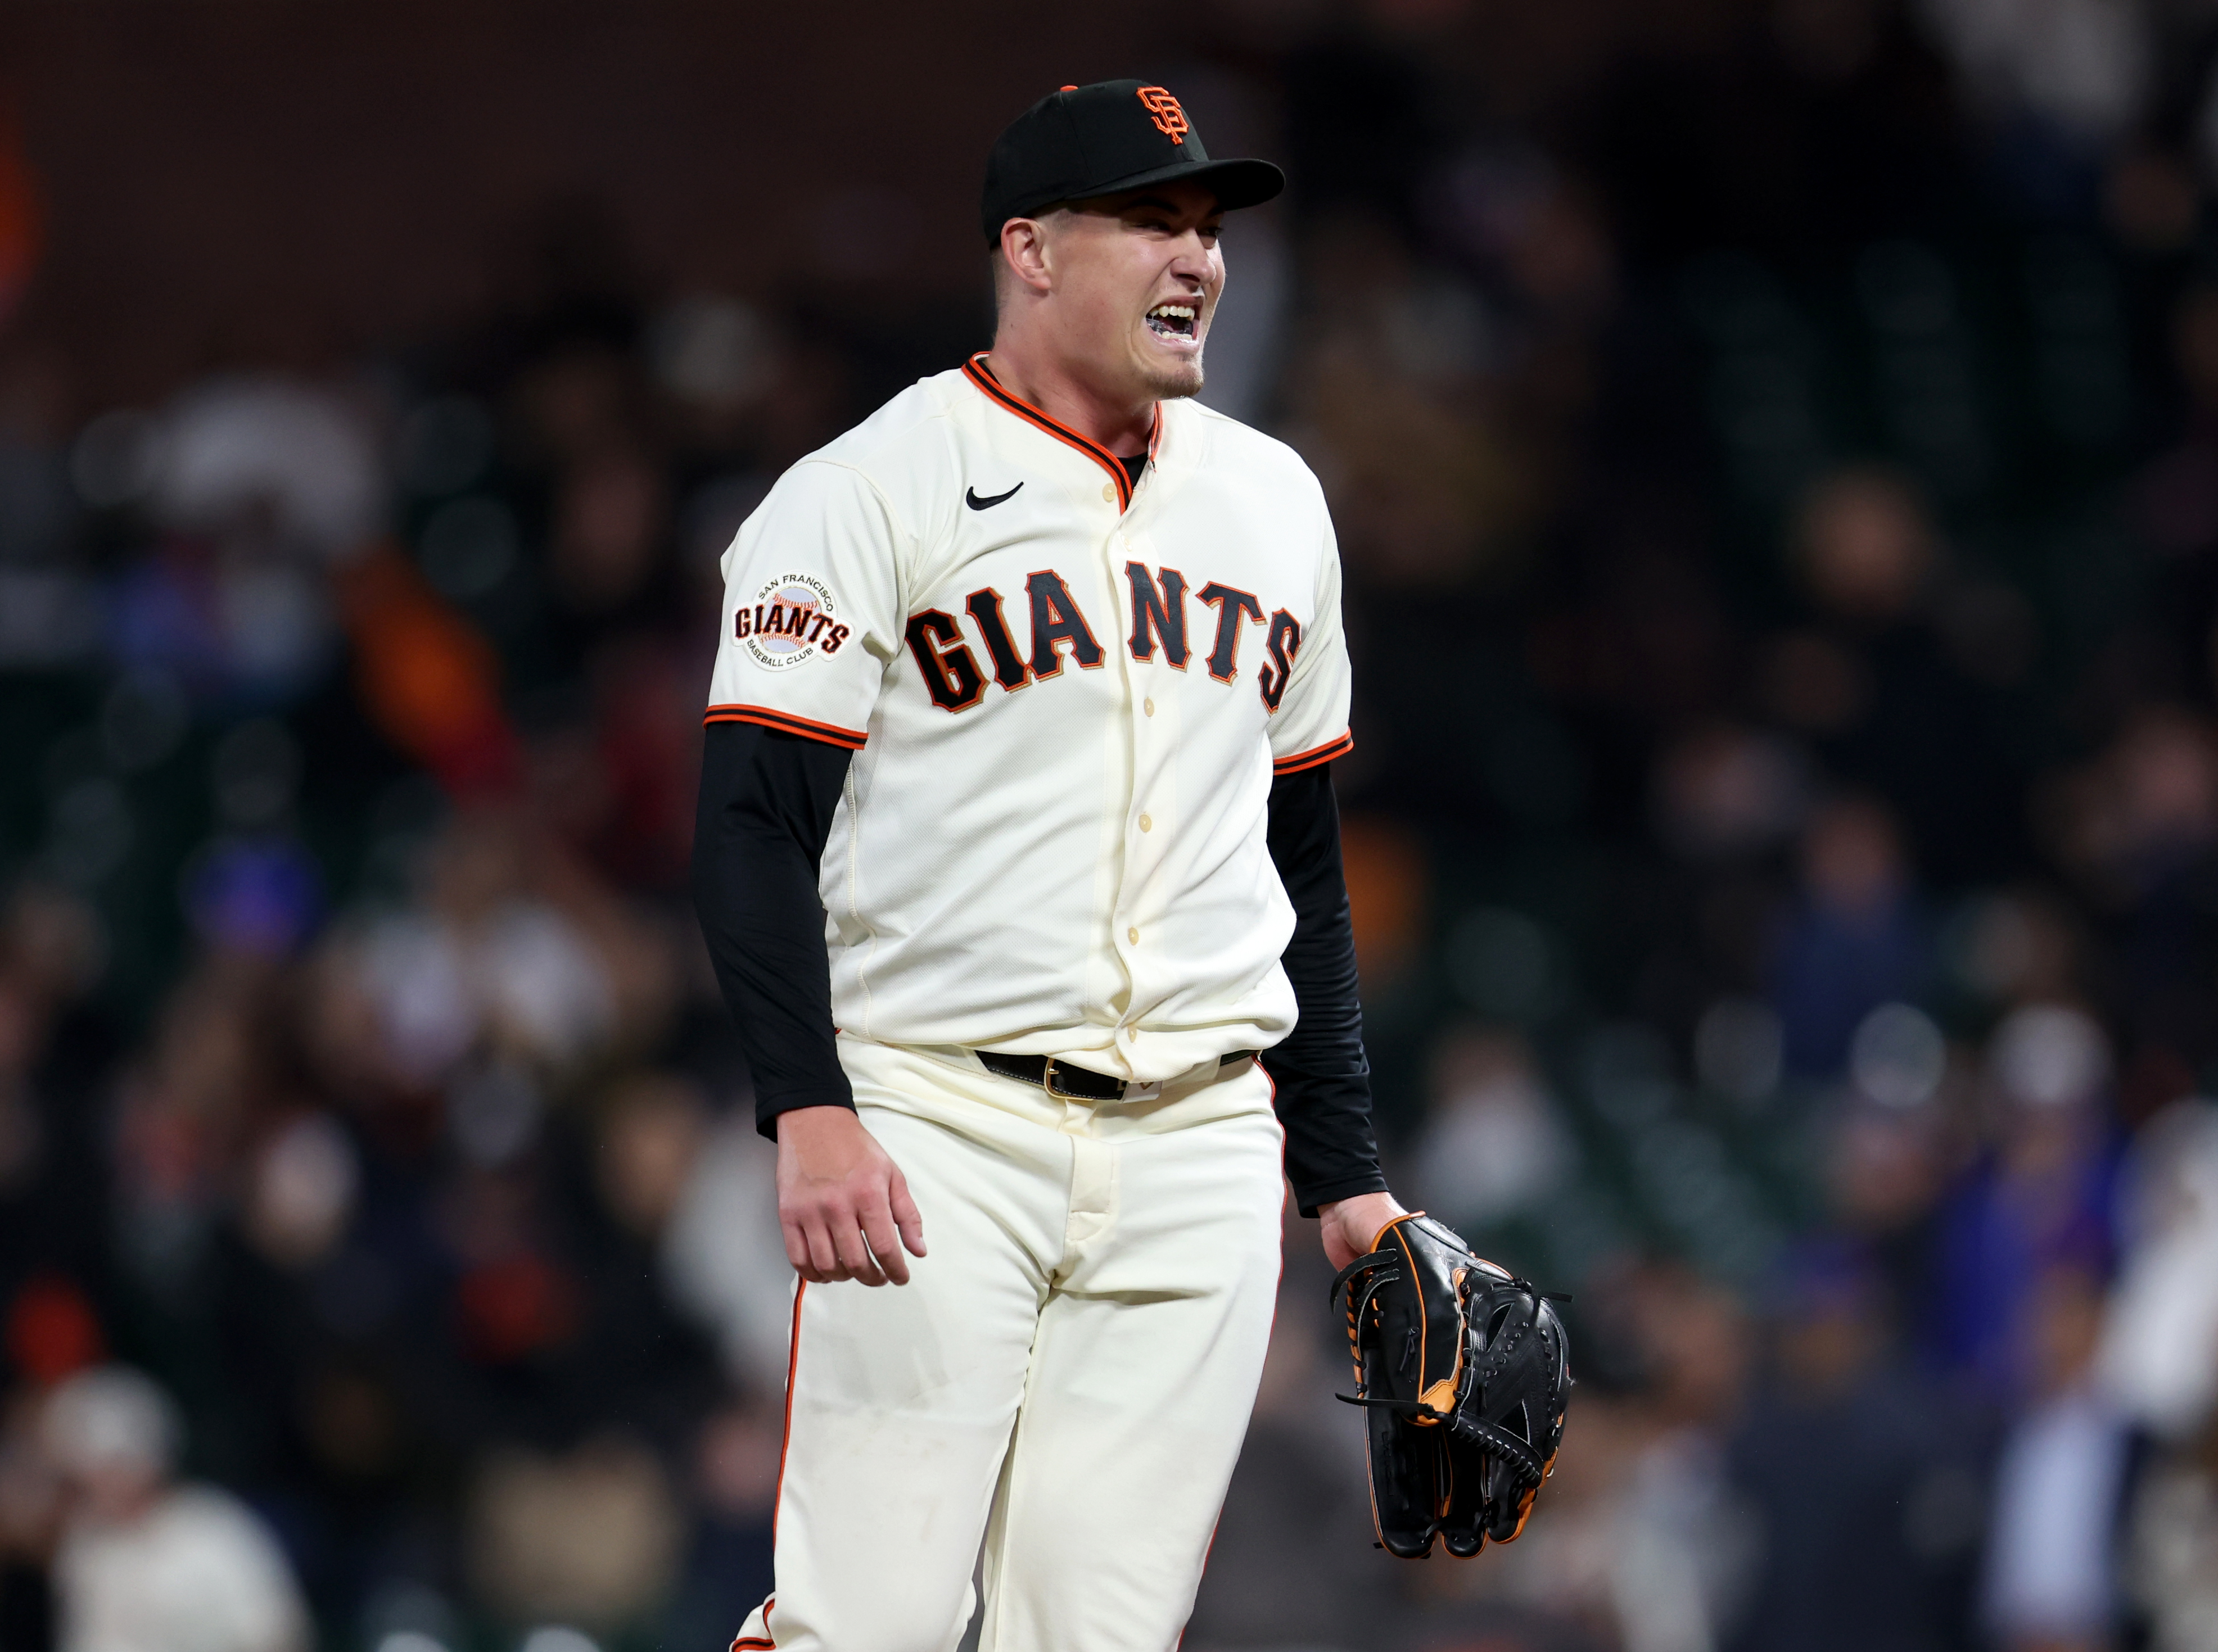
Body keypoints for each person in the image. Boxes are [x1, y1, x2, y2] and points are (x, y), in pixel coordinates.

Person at [692, 79, 1401, 1651]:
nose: (1197, 259)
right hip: (940, 1123)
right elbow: (749, 828)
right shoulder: (863, 492)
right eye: (1151, 221)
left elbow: (1301, 857)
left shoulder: (1274, 500)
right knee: (864, 1624)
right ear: (1028, 249)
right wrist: (807, 1104)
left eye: (1207, 228)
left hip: (1202, 1141)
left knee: (1097, 1634)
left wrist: (1344, 1170)